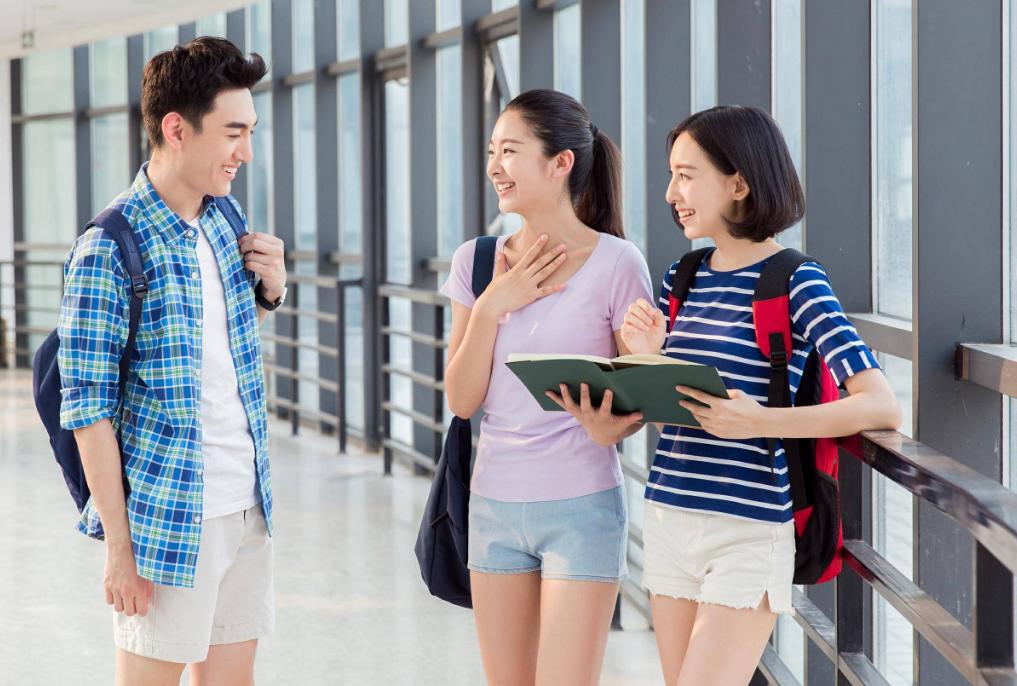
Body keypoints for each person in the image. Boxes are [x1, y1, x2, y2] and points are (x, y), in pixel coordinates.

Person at [611, 105, 902, 686]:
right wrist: (645, 355)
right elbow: (678, 402)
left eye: (687, 174)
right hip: (670, 511)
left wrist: (760, 420)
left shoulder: (797, 279)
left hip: (748, 526)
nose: (672, 192)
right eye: (672, 175)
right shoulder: (683, 277)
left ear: (739, 181)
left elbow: (879, 403)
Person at [57, 37, 286, 686]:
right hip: (168, 523)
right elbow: (88, 409)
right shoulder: (110, 245)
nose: (245, 151)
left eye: (251, 131)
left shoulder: (223, 217)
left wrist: (271, 293)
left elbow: (211, 354)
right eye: (233, 132)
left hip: (247, 504)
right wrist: (120, 552)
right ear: (176, 129)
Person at [441, 88, 653, 686]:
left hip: (582, 506)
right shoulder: (477, 262)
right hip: (494, 508)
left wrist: (618, 421)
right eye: (491, 151)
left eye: (510, 151)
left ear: (561, 163)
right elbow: (460, 400)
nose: (494, 167)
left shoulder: (618, 263)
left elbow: (637, 397)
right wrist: (490, 309)